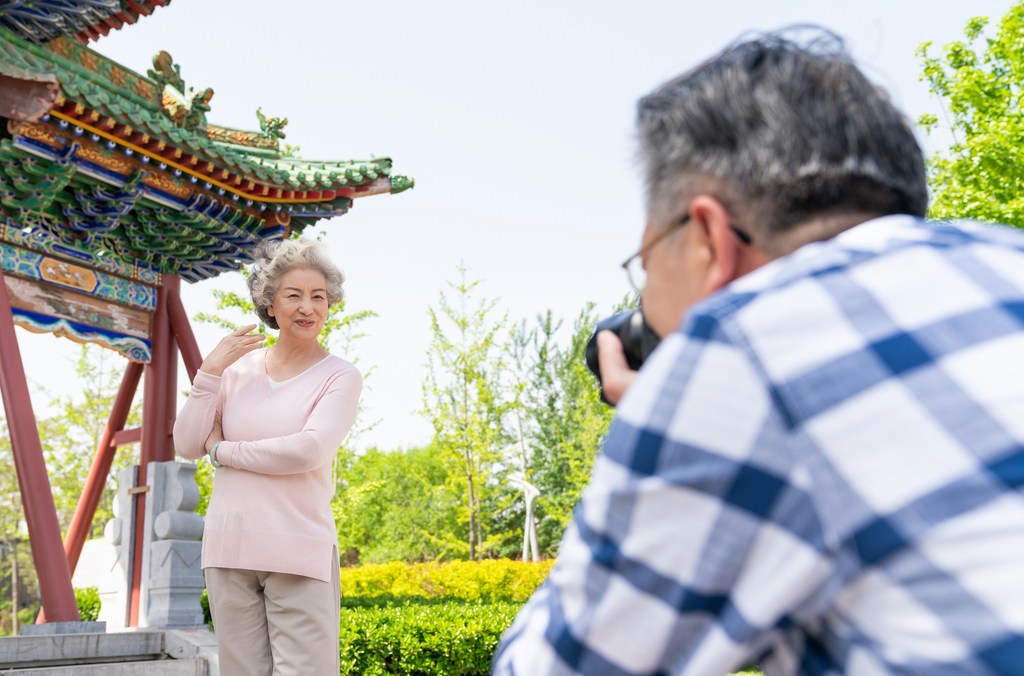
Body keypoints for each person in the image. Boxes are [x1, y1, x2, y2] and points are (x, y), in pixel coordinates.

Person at [493, 30, 1024, 676]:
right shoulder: (1003, 255)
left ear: (709, 238)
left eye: (645, 263)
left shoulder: (744, 348)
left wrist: (653, 413)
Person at [173, 237, 361, 676]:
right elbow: (185, 443)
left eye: (318, 297)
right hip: (228, 548)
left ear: (330, 304)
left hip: (299, 549)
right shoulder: (235, 371)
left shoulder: (340, 376)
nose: (307, 307)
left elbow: (308, 450)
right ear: (269, 305)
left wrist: (221, 450)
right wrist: (209, 372)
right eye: (293, 295)